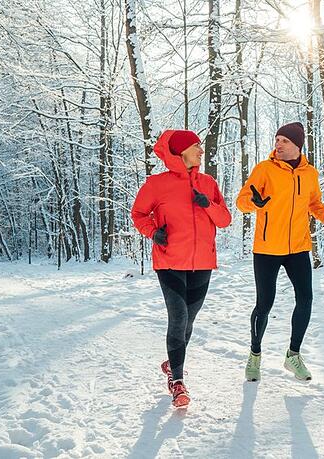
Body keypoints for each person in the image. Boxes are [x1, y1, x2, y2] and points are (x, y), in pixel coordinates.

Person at [236, 122, 324, 382]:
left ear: (297, 145)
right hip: (266, 249)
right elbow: (241, 201)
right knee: (265, 304)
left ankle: (293, 355)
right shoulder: (264, 169)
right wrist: (254, 202)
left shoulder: (310, 174)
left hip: (297, 247)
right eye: (277, 140)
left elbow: (314, 203)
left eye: (284, 140)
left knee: (305, 299)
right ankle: (254, 355)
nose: (278, 144)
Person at [131, 129, 231, 408]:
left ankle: (172, 361)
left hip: (202, 262)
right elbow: (138, 213)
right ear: (181, 151)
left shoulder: (208, 183)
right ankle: (177, 382)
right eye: (196, 146)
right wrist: (153, 232)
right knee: (178, 317)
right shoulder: (157, 184)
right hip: (170, 260)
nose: (201, 151)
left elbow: (224, 220)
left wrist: (207, 204)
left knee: (188, 320)